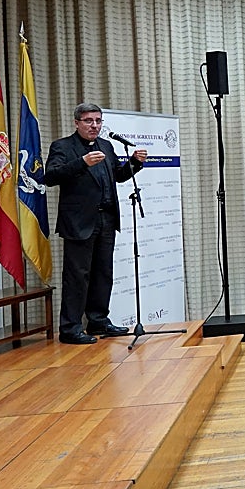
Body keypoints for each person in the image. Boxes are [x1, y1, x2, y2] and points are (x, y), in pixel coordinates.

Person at [43, 102, 147, 344]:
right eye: (89, 121)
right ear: (77, 122)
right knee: (77, 276)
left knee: (103, 273)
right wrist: (82, 163)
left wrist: (134, 163)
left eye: (98, 121)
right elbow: (50, 177)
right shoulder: (63, 146)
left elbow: (118, 177)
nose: (94, 125)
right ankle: (70, 328)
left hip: (106, 219)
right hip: (79, 222)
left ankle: (98, 320)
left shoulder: (107, 146)